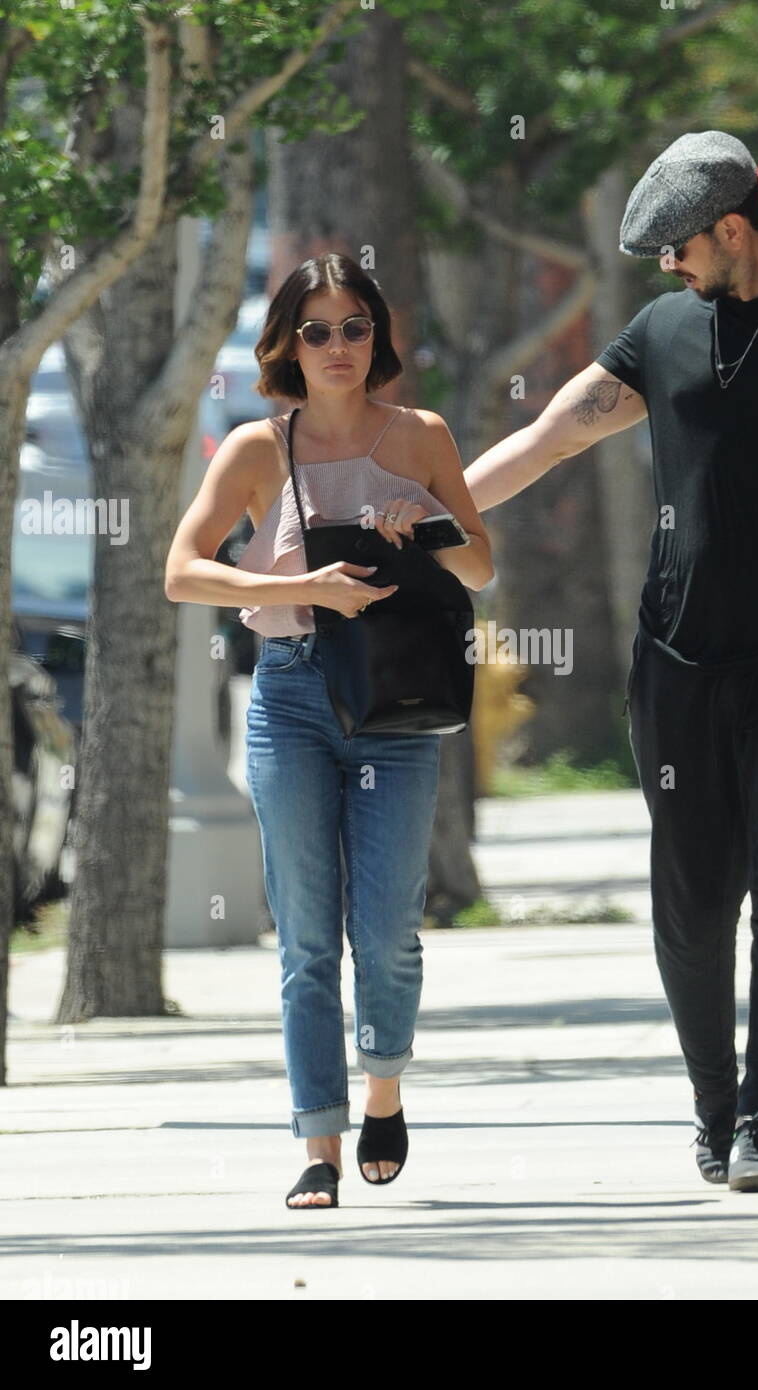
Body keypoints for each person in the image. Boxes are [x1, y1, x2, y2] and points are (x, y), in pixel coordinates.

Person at [464, 130, 758, 1192]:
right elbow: (547, 439)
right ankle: (712, 1106)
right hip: (678, 657)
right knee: (691, 902)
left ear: (734, 226)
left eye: (676, 245)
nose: (665, 266)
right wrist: (433, 510)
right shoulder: (661, 329)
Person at [165, 252, 493, 1208]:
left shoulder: (422, 436)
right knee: (306, 935)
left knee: (386, 929)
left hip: (395, 702)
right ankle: (319, 1144)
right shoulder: (257, 449)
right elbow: (183, 572)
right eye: (317, 330)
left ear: (378, 337)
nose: (339, 345)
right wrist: (295, 587)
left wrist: (426, 519)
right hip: (293, 694)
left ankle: (383, 1088)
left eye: (356, 326)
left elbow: (480, 569)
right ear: (287, 346)